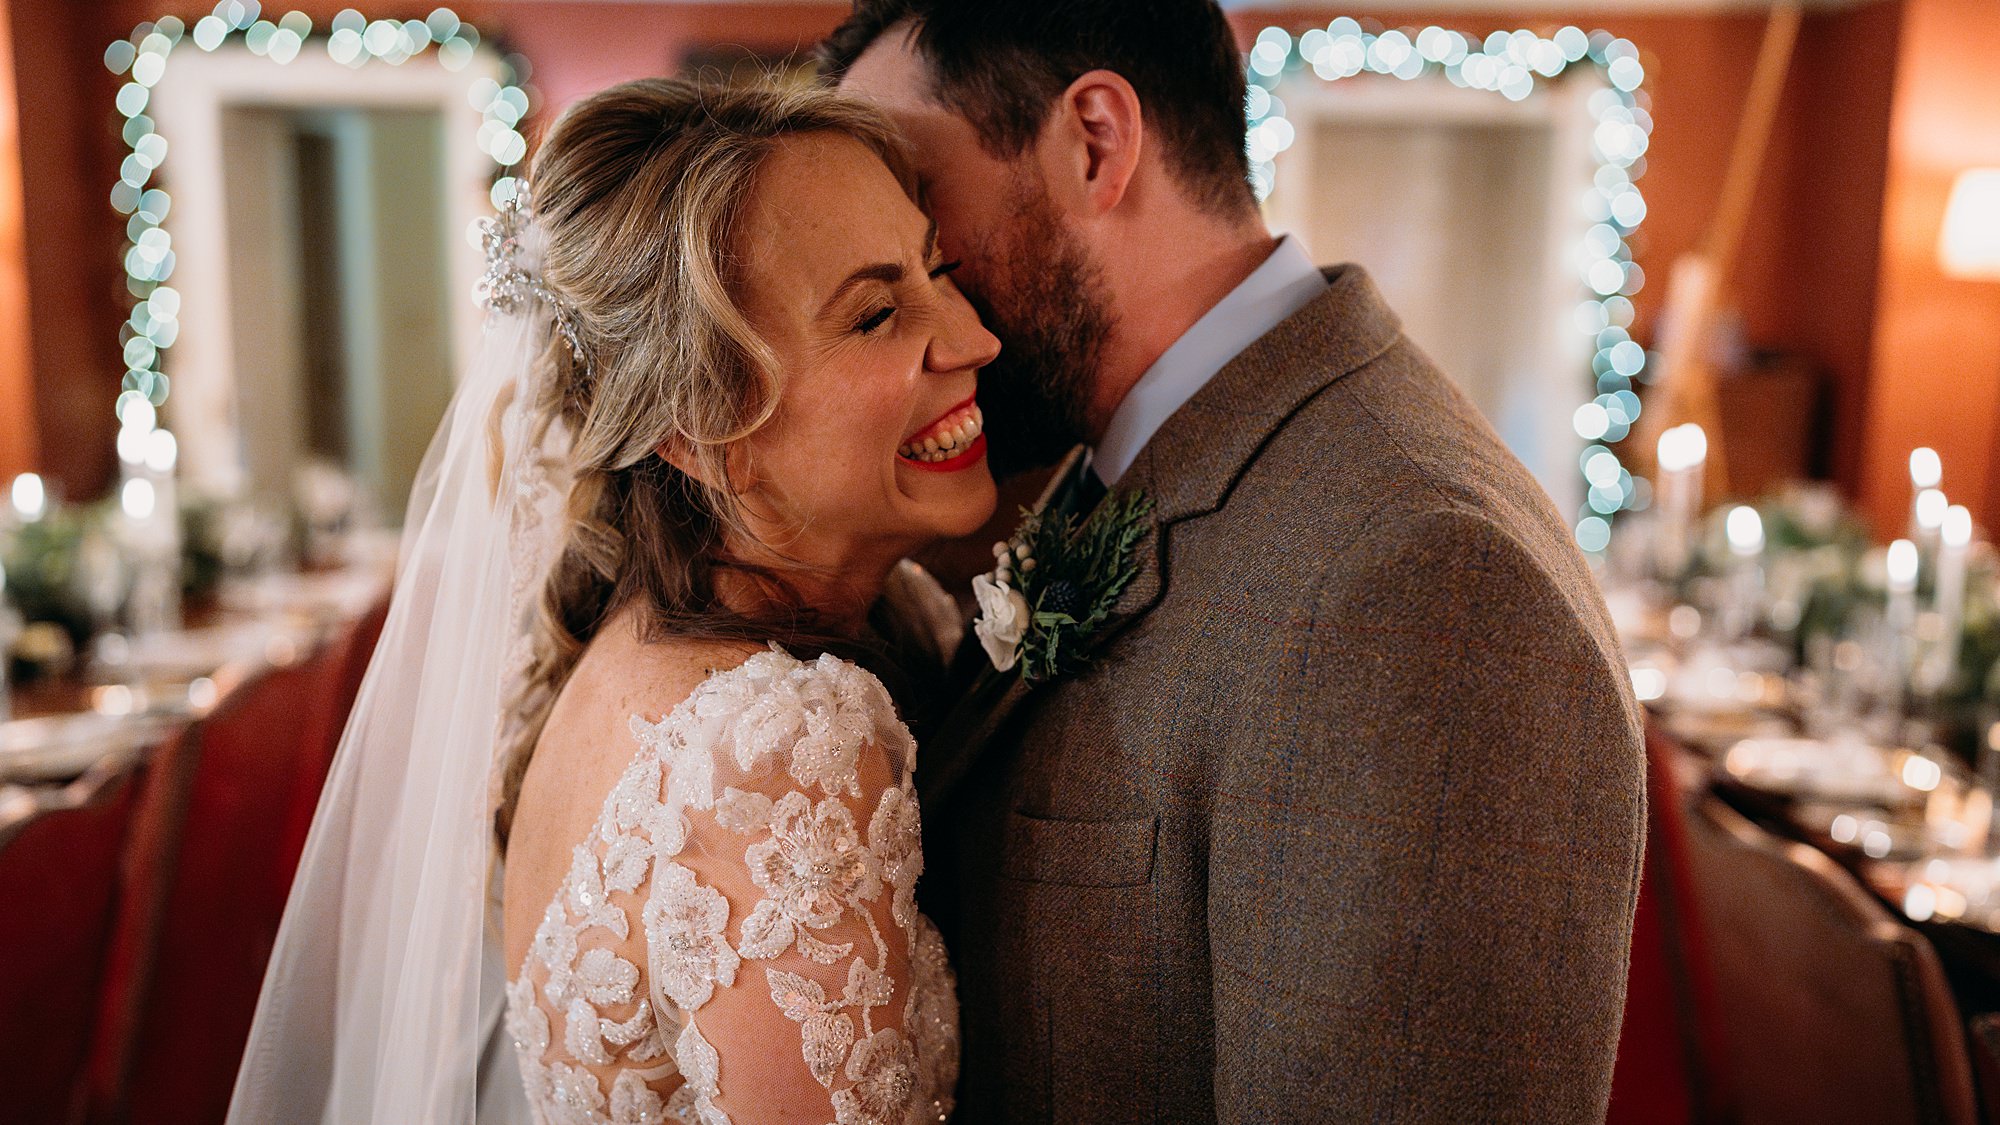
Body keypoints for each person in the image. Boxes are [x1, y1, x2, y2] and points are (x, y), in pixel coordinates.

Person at [824, 2, 1648, 1120]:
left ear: (1094, 142)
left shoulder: (1425, 586)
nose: (910, 285)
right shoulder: (1131, 462)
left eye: (919, 204)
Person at [230, 79, 997, 1123]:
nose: (969, 337)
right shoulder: (769, 747)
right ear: (698, 425)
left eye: (934, 269)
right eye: (874, 313)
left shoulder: (629, 650)